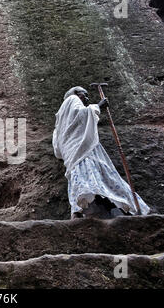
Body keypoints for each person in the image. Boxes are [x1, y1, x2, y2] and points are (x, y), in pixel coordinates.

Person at [52, 86, 150, 219]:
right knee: (98, 174)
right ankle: (123, 206)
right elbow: (81, 116)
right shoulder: (72, 99)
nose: (87, 99)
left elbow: (57, 146)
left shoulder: (59, 119)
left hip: (72, 153)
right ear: (75, 93)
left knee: (82, 177)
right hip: (82, 150)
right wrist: (98, 106)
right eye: (84, 95)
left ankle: (80, 210)